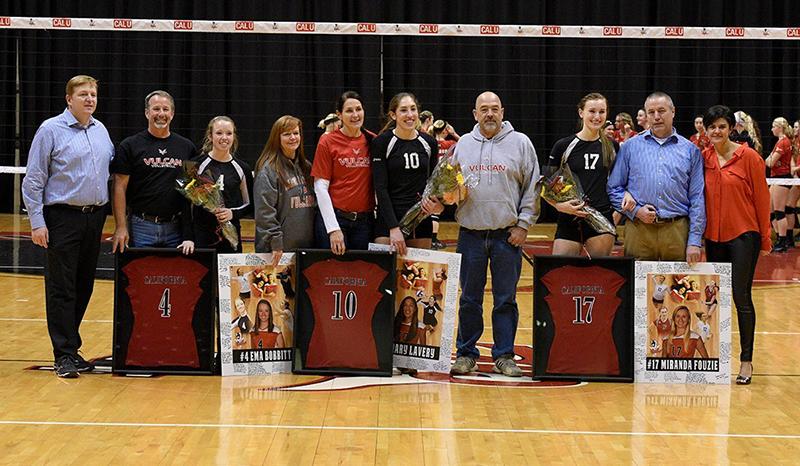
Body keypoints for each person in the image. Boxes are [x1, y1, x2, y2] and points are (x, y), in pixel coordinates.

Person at [21, 75, 115, 378]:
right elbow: (34, 179)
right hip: (62, 217)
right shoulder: (50, 130)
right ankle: (62, 354)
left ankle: (71, 349)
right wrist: (37, 222)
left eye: (93, 95)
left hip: (94, 217)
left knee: (83, 285)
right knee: (62, 287)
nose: (89, 99)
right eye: (83, 94)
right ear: (69, 99)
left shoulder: (101, 130)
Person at [449, 91, 539, 377]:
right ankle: (465, 354)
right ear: (474, 114)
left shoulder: (521, 143)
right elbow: (451, 185)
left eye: (494, 109)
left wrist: (523, 224)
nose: (489, 114)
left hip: (506, 236)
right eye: (483, 109)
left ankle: (504, 355)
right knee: (469, 299)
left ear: (503, 111)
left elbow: (533, 187)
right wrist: (447, 195)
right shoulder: (463, 144)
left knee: (506, 299)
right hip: (471, 234)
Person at [701, 104, 771, 384]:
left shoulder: (750, 157)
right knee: (713, 301)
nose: (716, 131)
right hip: (713, 238)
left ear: (730, 128)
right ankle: (712, 358)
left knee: (741, 297)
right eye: (712, 127)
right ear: (705, 131)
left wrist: (765, 238)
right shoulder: (702, 158)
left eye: (721, 126)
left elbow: (763, 201)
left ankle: (746, 362)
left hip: (744, 235)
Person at [607, 91, 706, 263]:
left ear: (673, 111)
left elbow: (697, 198)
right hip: (638, 229)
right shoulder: (630, 147)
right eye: (651, 112)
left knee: (678, 287)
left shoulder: (691, 150)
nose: (656, 117)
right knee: (637, 287)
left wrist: (695, 241)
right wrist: (636, 211)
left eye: (661, 111)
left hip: (677, 230)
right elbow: (614, 188)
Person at [111, 90, 197, 254]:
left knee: (172, 277)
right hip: (141, 226)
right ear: (146, 112)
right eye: (156, 109)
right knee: (141, 277)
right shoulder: (129, 145)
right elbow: (119, 187)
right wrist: (121, 227)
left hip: (175, 228)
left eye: (165, 109)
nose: (161, 114)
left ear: (172, 113)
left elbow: (190, 195)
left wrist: (188, 233)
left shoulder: (187, 148)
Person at [546, 93, 618, 257]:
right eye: (592, 111)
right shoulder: (563, 145)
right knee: (562, 274)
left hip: (601, 218)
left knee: (598, 276)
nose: (597, 116)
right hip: (569, 218)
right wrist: (559, 206)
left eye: (602, 112)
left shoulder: (613, 147)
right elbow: (547, 185)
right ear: (581, 113)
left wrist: (615, 215)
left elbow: (620, 184)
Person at [371, 92, 442, 255]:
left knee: (419, 277)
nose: (410, 115)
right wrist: (393, 228)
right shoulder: (382, 142)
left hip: (420, 217)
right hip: (389, 219)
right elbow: (380, 188)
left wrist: (437, 203)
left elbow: (434, 182)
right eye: (403, 110)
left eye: (413, 109)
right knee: (386, 277)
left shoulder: (429, 142)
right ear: (393, 115)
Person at [311, 91, 375, 255]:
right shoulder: (327, 141)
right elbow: (320, 186)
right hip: (336, 219)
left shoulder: (373, 140)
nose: (355, 115)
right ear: (339, 115)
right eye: (349, 110)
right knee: (332, 276)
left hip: (365, 222)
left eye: (358, 109)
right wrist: (333, 229)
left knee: (360, 276)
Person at [254, 115, 316, 267]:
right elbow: (264, 211)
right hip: (277, 250)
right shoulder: (268, 169)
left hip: (305, 248)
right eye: (287, 134)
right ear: (277, 138)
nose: (293, 137)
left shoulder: (306, 166)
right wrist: (275, 241)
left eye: (296, 133)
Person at [190, 116, 253, 253]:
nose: (224, 137)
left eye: (229, 133)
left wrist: (233, 213)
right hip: (202, 237)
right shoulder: (196, 165)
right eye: (219, 133)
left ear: (234, 137)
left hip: (231, 238)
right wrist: (188, 237)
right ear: (210, 136)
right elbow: (185, 203)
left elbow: (250, 204)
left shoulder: (242, 168)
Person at [430, 119, 460, 249]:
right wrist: (453, 133)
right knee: (436, 212)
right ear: (445, 131)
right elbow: (465, 144)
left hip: (431, 181)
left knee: (431, 211)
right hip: (445, 182)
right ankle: (433, 240)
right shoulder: (451, 144)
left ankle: (432, 239)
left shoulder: (430, 143)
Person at [766, 117, 795, 252]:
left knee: (779, 211)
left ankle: (783, 241)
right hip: (775, 178)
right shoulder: (780, 142)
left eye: (773, 126)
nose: (771, 129)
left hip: (781, 178)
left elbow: (770, 163)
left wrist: (768, 160)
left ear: (779, 127)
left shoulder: (783, 142)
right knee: (771, 212)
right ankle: (779, 238)